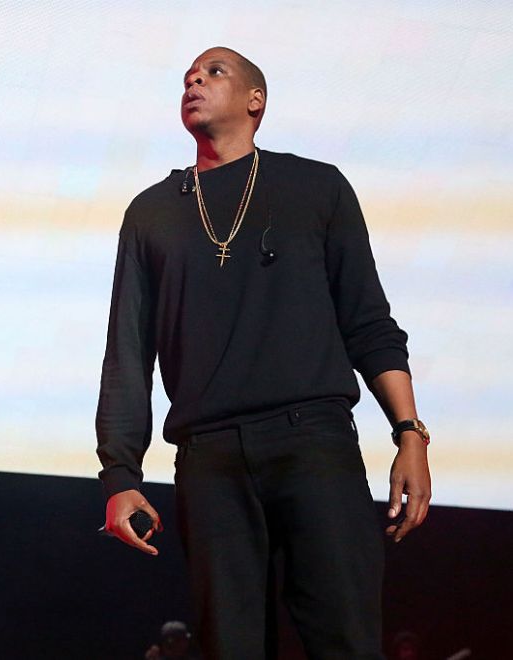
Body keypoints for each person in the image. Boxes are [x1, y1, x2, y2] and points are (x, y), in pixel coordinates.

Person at [96, 48, 432, 658]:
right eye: (187, 77)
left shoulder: (314, 186)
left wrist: (409, 432)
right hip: (210, 459)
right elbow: (127, 351)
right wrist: (120, 473)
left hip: (313, 443)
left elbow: (369, 321)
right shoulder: (150, 213)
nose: (194, 79)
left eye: (214, 71)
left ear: (256, 101)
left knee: (347, 639)